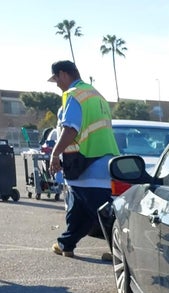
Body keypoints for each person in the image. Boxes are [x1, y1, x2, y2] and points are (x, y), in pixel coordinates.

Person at [47, 60, 119, 258]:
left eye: (56, 80)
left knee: (101, 212)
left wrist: (55, 154)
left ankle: (121, 252)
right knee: (80, 209)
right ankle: (66, 244)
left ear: (63, 74)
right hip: (100, 162)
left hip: (85, 162)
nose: (57, 85)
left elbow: (71, 128)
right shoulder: (96, 95)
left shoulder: (73, 95)